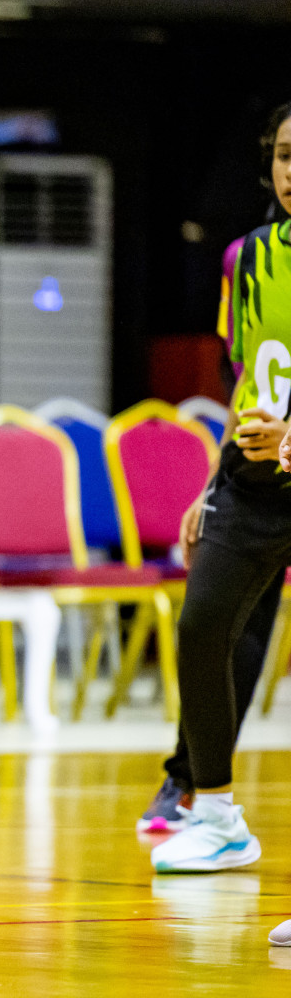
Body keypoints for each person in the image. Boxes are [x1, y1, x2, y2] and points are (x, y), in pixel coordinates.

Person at [149, 102, 291, 877]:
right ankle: (214, 813)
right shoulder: (248, 258)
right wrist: (210, 484)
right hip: (254, 482)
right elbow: (246, 383)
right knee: (203, 628)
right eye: (284, 156)